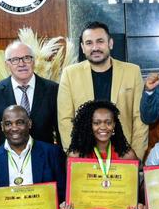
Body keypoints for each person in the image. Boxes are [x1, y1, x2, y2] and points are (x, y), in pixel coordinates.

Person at [57, 23, 148, 158]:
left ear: (110, 43)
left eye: (100, 41)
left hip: (123, 153)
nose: (95, 47)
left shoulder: (132, 71)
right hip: (85, 154)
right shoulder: (70, 74)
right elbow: (65, 119)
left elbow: (139, 117)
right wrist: (77, 154)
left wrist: (135, 156)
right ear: (82, 47)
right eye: (89, 43)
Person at [0, 39, 59, 154]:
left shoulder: (52, 89)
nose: (22, 64)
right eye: (15, 60)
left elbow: (60, 127)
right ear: (7, 64)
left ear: (34, 61)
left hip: (45, 158)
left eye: (27, 58)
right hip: (8, 158)